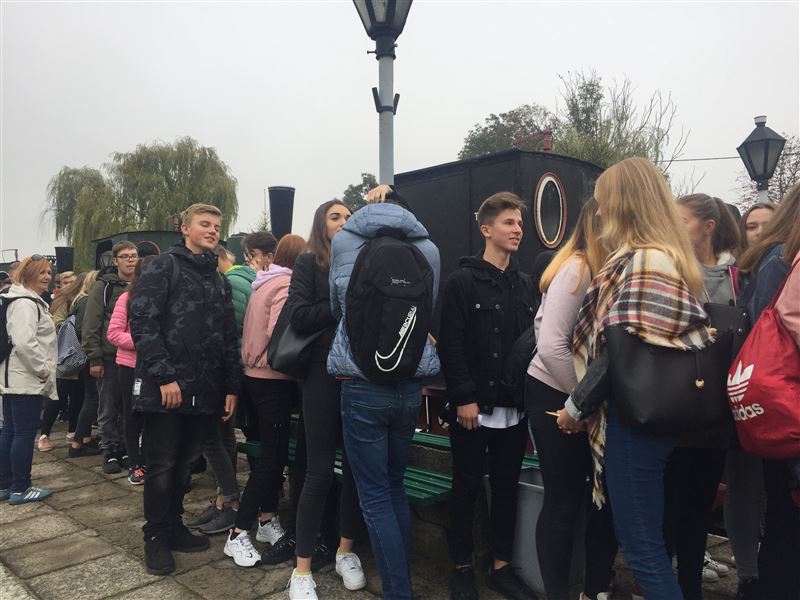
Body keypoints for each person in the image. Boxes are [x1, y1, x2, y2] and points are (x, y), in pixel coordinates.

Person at [557, 157, 713, 599]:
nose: (600, 210)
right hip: (651, 418)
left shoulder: (646, 261)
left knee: (643, 549)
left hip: (633, 421)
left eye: (604, 201)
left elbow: (619, 351)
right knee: (647, 544)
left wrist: (574, 408)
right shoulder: (668, 258)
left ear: (625, 203)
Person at [325, 185, 440, 600]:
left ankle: (398, 592)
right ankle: (400, 583)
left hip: (362, 383)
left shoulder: (345, 242)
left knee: (373, 495)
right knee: (394, 486)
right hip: (409, 382)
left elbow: (338, 307)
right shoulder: (428, 248)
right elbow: (428, 307)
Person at [129, 203, 240, 576]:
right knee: (161, 466)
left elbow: (228, 336)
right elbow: (143, 321)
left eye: (217, 226)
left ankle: (174, 525)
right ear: (185, 229)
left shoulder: (219, 279)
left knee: (184, 467)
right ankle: (155, 536)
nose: (212, 231)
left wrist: (231, 385)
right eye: (204, 224)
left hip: (204, 391)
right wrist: (164, 376)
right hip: (168, 390)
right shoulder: (164, 266)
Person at [438, 191, 538, 600]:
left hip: (514, 409)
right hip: (473, 409)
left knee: (507, 486)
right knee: (465, 487)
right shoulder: (460, 282)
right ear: (486, 229)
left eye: (519, 223)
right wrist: (464, 397)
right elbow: (451, 344)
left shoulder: (525, 285)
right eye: (509, 223)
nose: (517, 230)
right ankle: (461, 567)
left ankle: (501, 566)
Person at [526, 198, 617, 600]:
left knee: (584, 500)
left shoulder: (596, 267)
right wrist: (582, 401)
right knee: (563, 500)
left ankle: (589, 588)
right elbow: (551, 346)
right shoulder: (578, 268)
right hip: (555, 389)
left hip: (575, 393)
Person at [286, 200, 364, 595]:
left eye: (349, 216)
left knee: (354, 468)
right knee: (318, 470)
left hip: (359, 373)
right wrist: (339, 307)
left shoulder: (364, 259)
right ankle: (301, 570)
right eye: (336, 217)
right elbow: (298, 315)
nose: (344, 221)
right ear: (321, 225)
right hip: (320, 372)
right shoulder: (308, 262)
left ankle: (345, 551)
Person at [666, 193, 741, 598]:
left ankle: (689, 586)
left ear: (708, 227)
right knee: (669, 504)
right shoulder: (671, 270)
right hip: (676, 404)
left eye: (683, 221)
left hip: (716, 409)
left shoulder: (736, 276)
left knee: (697, 508)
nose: (675, 227)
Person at [224, 234, 306, 566]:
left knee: (271, 455)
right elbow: (282, 333)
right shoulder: (286, 285)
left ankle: (267, 519)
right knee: (272, 459)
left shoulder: (264, 283)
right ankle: (237, 532)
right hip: (273, 379)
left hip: (255, 376)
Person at [737, 183, 800, 600]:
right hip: (787, 401)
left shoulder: (779, 258)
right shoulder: (781, 260)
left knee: (783, 514)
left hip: (783, 401)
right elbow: (769, 333)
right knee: (784, 515)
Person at [185, 245, 244, 535]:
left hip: (214, 372)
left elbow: (228, 333)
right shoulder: (222, 283)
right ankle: (224, 500)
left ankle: (230, 501)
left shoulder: (225, 283)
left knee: (212, 438)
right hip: (218, 371)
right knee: (221, 438)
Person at [0, 255, 57, 504]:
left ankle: (6, 483)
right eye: (41, 272)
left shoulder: (19, 299)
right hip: (25, 377)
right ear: (27, 273)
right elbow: (24, 342)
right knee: (23, 432)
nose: (47, 276)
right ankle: (21, 487)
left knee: (11, 431)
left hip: (15, 376)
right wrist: (42, 370)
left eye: (49, 272)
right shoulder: (25, 303)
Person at [82, 241, 137, 474]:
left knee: (129, 406)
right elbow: (91, 323)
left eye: (133, 255)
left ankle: (126, 448)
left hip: (132, 359)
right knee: (108, 407)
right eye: (125, 256)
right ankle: (110, 450)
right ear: (115, 261)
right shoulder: (103, 287)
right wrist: (94, 358)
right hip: (108, 356)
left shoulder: (142, 284)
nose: (130, 260)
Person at [106, 257, 156, 485]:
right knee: (132, 414)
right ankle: (135, 463)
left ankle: (150, 460)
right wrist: (143, 342)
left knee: (154, 416)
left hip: (156, 367)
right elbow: (113, 333)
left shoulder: (164, 298)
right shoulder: (126, 299)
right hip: (130, 367)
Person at [38, 273, 89, 450]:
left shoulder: (79, 300)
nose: (69, 284)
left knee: (77, 396)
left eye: (72, 281)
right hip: (66, 354)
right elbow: (57, 325)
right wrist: (73, 324)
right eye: (66, 282)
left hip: (79, 356)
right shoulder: (63, 301)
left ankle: (72, 431)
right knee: (58, 396)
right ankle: (45, 434)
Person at [67, 271, 102, 458]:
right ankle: (77, 443)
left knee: (89, 397)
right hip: (89, 355)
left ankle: (84, 439)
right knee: (92, 398)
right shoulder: (88, 301)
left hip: (83, 355)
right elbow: (84, 329)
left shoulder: (79, 300)